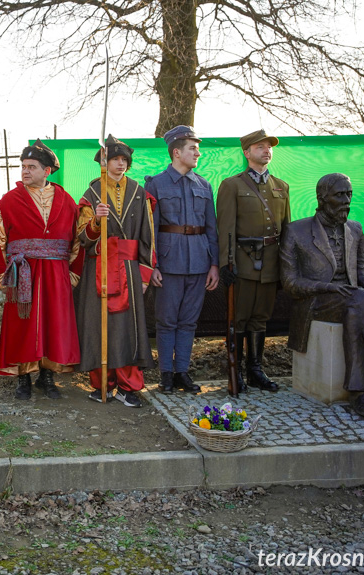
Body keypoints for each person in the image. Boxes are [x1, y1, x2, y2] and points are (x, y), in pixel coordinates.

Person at [280, 173, 364, 417]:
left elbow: (360, 273)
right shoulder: (296, 231)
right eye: (340, 195)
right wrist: (328, 287)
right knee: (358, 300)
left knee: (356, 308)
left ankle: (360, 394)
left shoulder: (355, 229)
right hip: (314, 301)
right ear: (322, 197)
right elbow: (289, 282)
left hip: (353, 300)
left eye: (349, 194)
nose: (347, 200)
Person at [0, 139, 81, 400]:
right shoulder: (8, 201)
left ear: (47, 171)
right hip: (23, 273)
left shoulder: (66, 200)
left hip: (55, 274)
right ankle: (23, 377)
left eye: (31, 167)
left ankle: (47, 374)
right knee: (22, 324)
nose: (25, 171)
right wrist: (2, 275)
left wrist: (72, 273)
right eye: (23, 166)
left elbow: (77, 240)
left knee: (54, 323)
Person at [74, 136, 156, 406]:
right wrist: (96, 220)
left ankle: (127, 386)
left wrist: (144, 273)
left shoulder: (139, 192)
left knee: (127, 328)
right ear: (104, 162)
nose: (120, 164)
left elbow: (148, 235)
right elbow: (83, 239)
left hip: (130, 271)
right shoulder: (92, 194)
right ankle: (102, 385)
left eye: (124, 160)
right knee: (99, 327)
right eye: (115, 159)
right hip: (98, 269)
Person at [145, 126, 219, 394]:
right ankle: (166, 374)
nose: (197, 153)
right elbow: (149, 229)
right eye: (192, 148)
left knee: (189, 322)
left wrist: (214, 265)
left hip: (199, 263)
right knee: (166, 322)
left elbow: (211, 227)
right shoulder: (155, 184)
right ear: (176, 152)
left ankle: (182, 373)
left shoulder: (204, 185)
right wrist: (151, 265)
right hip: (168, 263)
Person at [217, 129, 289, 392]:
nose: (266, 150)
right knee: (240, 318)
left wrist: (286, 266)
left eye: (269, 147)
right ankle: (235, 371)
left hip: (271, 263)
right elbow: (225, 227)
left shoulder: (282, 186)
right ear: (247, 153)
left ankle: (256, 369)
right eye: (259, 147)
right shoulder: (232, 185)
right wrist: (226, 263)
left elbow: (286, 230)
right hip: (244, 263)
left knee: (261, 318)